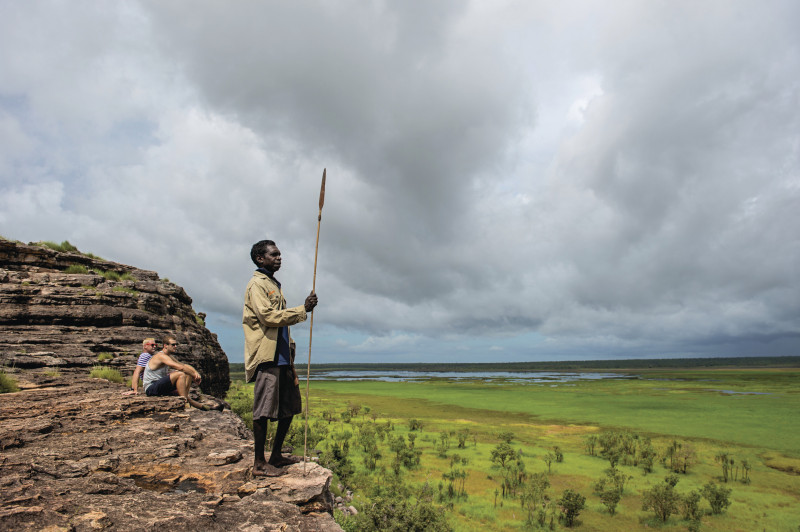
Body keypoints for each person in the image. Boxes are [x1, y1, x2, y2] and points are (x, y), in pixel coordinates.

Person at [243, 239, 318, 477]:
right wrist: (302, 309)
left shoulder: (273, 284)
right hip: (268, 356)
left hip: (284, 356)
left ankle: (275, 455)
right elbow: (267, 317)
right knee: (263, 409)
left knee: (289, 407)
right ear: (260, 259)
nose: (279, 258)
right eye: (274, 255)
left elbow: (280, 321)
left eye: (279, 254)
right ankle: (259, 463)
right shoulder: (257, 285)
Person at [142, 336, 206, 410]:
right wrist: (194, 375)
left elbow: (183, 365)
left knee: (187, 373)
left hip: (159, 386)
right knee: (180, 374)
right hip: (151, 388)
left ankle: (185, 397)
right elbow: (180, 368)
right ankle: (184, 402)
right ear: (165, 345)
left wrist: (195, 373)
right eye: (173, 345)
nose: (175, 346)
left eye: (176, 344)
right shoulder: (161, 356)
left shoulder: (168, 356)